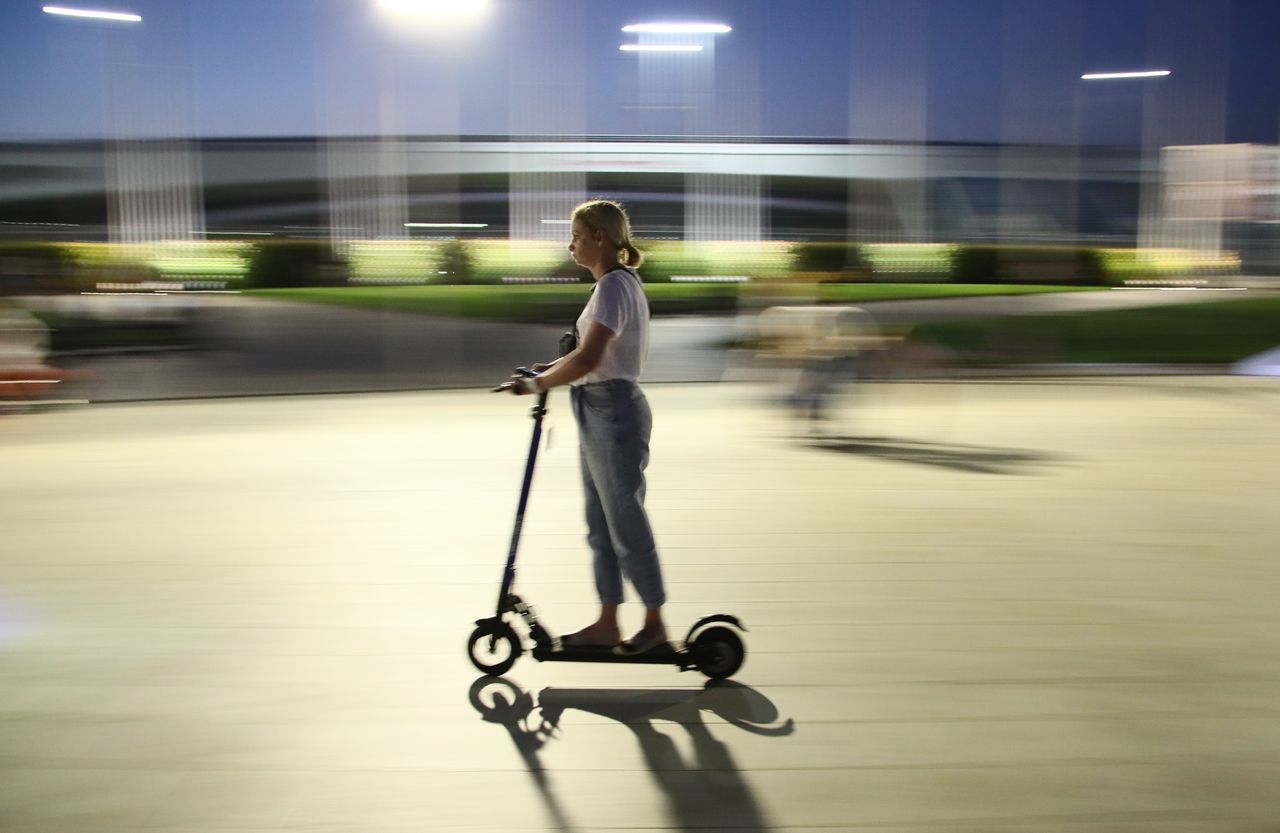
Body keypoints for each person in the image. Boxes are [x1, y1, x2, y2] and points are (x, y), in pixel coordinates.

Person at [503, 199, 667, 656]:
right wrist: (550, 368)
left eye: (576, 234)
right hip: (598, 407)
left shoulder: (615, 286)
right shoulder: (614, 284)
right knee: (600, 523)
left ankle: (654, 623)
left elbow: (592, 359)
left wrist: (537, 385)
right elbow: (589, 355)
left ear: (599, 237)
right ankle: (609, 621)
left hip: (613, 410)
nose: (570, 243)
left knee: (625, 521)